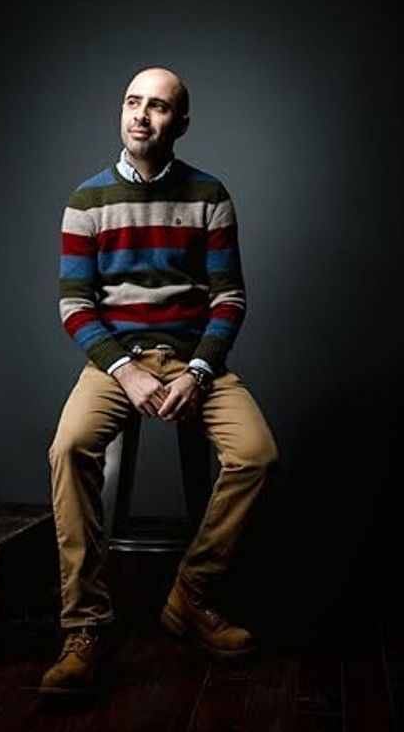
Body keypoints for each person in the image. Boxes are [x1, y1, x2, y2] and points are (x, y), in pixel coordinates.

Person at [39, 66, 278, 695]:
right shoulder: (86, 201)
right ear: (122, 112)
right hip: (116, 362)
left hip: (195, 359)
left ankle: (191, 594)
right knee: (68, 449)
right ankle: (84, 626)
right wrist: (124, 371)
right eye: (132, 102)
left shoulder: (209, 194)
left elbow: (229, 298)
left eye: (159, 106)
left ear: (181, 123)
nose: (142, 115)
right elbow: (75, 306)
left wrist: (198, 372)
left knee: (257, 455)